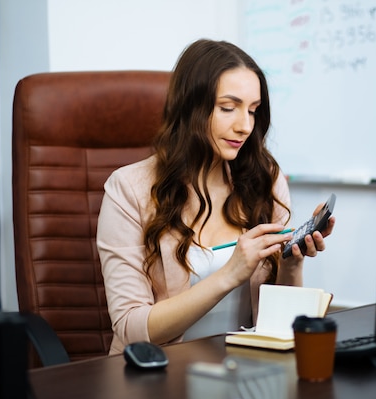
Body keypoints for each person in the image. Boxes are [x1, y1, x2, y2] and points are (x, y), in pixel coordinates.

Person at [96, 39, 335, 355]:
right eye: (228, 108)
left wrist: (292, 264)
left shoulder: (266, 178)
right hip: (158, 378)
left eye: (253, 110)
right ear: (191, 106)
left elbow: (279, 326)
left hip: (246, 369)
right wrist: (230, 274)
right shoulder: (127, 189)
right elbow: (131, 328)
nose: (245, 126)